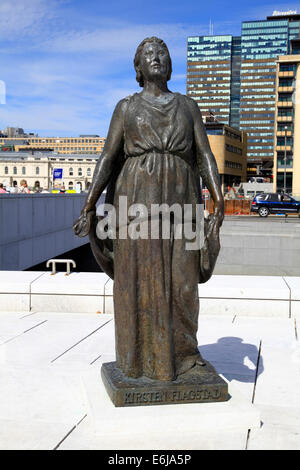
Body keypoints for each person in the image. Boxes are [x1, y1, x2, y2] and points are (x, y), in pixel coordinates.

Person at [73, 37, 224, 382]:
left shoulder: (188, 107)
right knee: (138, 281)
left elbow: (204, 157)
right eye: (148, 55)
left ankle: (185, 355)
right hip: (136, 205)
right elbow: (108, 159)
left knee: (184, 283)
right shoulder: (126, 108)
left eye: (162, 53)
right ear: (138, 68)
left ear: (171, 63)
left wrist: (219, 200)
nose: (156, 58)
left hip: (183, 202)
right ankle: (138, 360)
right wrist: (88, 204)